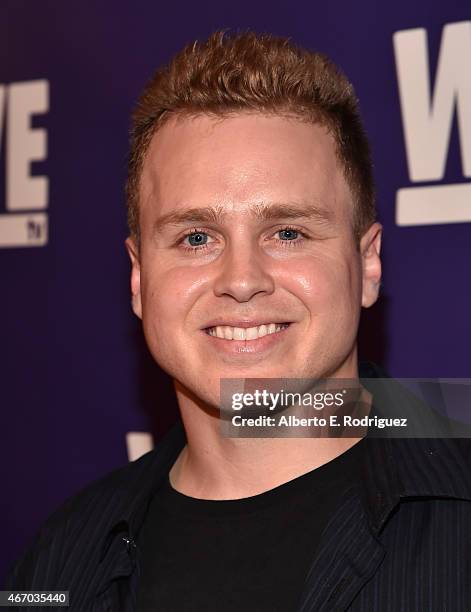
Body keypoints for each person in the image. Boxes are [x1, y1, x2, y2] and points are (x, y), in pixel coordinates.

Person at [6, 31, 471, 611]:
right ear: (138, 279)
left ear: (369, 264)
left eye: (288, 233)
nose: (243, 278)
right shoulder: (61, 559)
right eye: (196, 237)